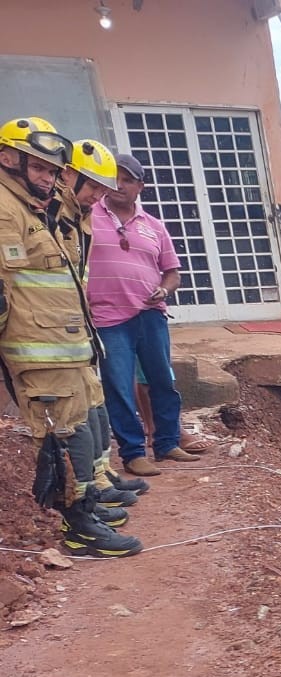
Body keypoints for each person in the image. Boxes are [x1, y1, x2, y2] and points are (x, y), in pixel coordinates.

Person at [0, 116, 141, 557]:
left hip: (64, 346)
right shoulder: (7, 210)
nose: (48, 177)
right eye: (39, 168)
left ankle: (87, 508)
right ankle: (77, 529)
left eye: (51, 169)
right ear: (8, 159)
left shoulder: (34, 209)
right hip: (38, 353)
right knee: (62, 438)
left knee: (81, 427)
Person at [87, 151, 195, 477]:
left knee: (162, 381)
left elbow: (172, 273)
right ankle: (133, 453)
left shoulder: (154, 227)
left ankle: (166, 443)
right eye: (114, 178)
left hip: (150, 315)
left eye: (127, 180)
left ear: (140, 186)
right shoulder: (87, 216)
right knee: (119, 385)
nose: (119, 185)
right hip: (108, 318)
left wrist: (164, 289)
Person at [54, 137, 148, 512]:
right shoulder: (44, 215)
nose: (99, 195)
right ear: (70, 175)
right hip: (49, 336)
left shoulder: (77, 218)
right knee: (72, 413)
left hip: (78, 330)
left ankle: (99, 479)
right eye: (93, 186)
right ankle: (81, 509)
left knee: (94, 404)